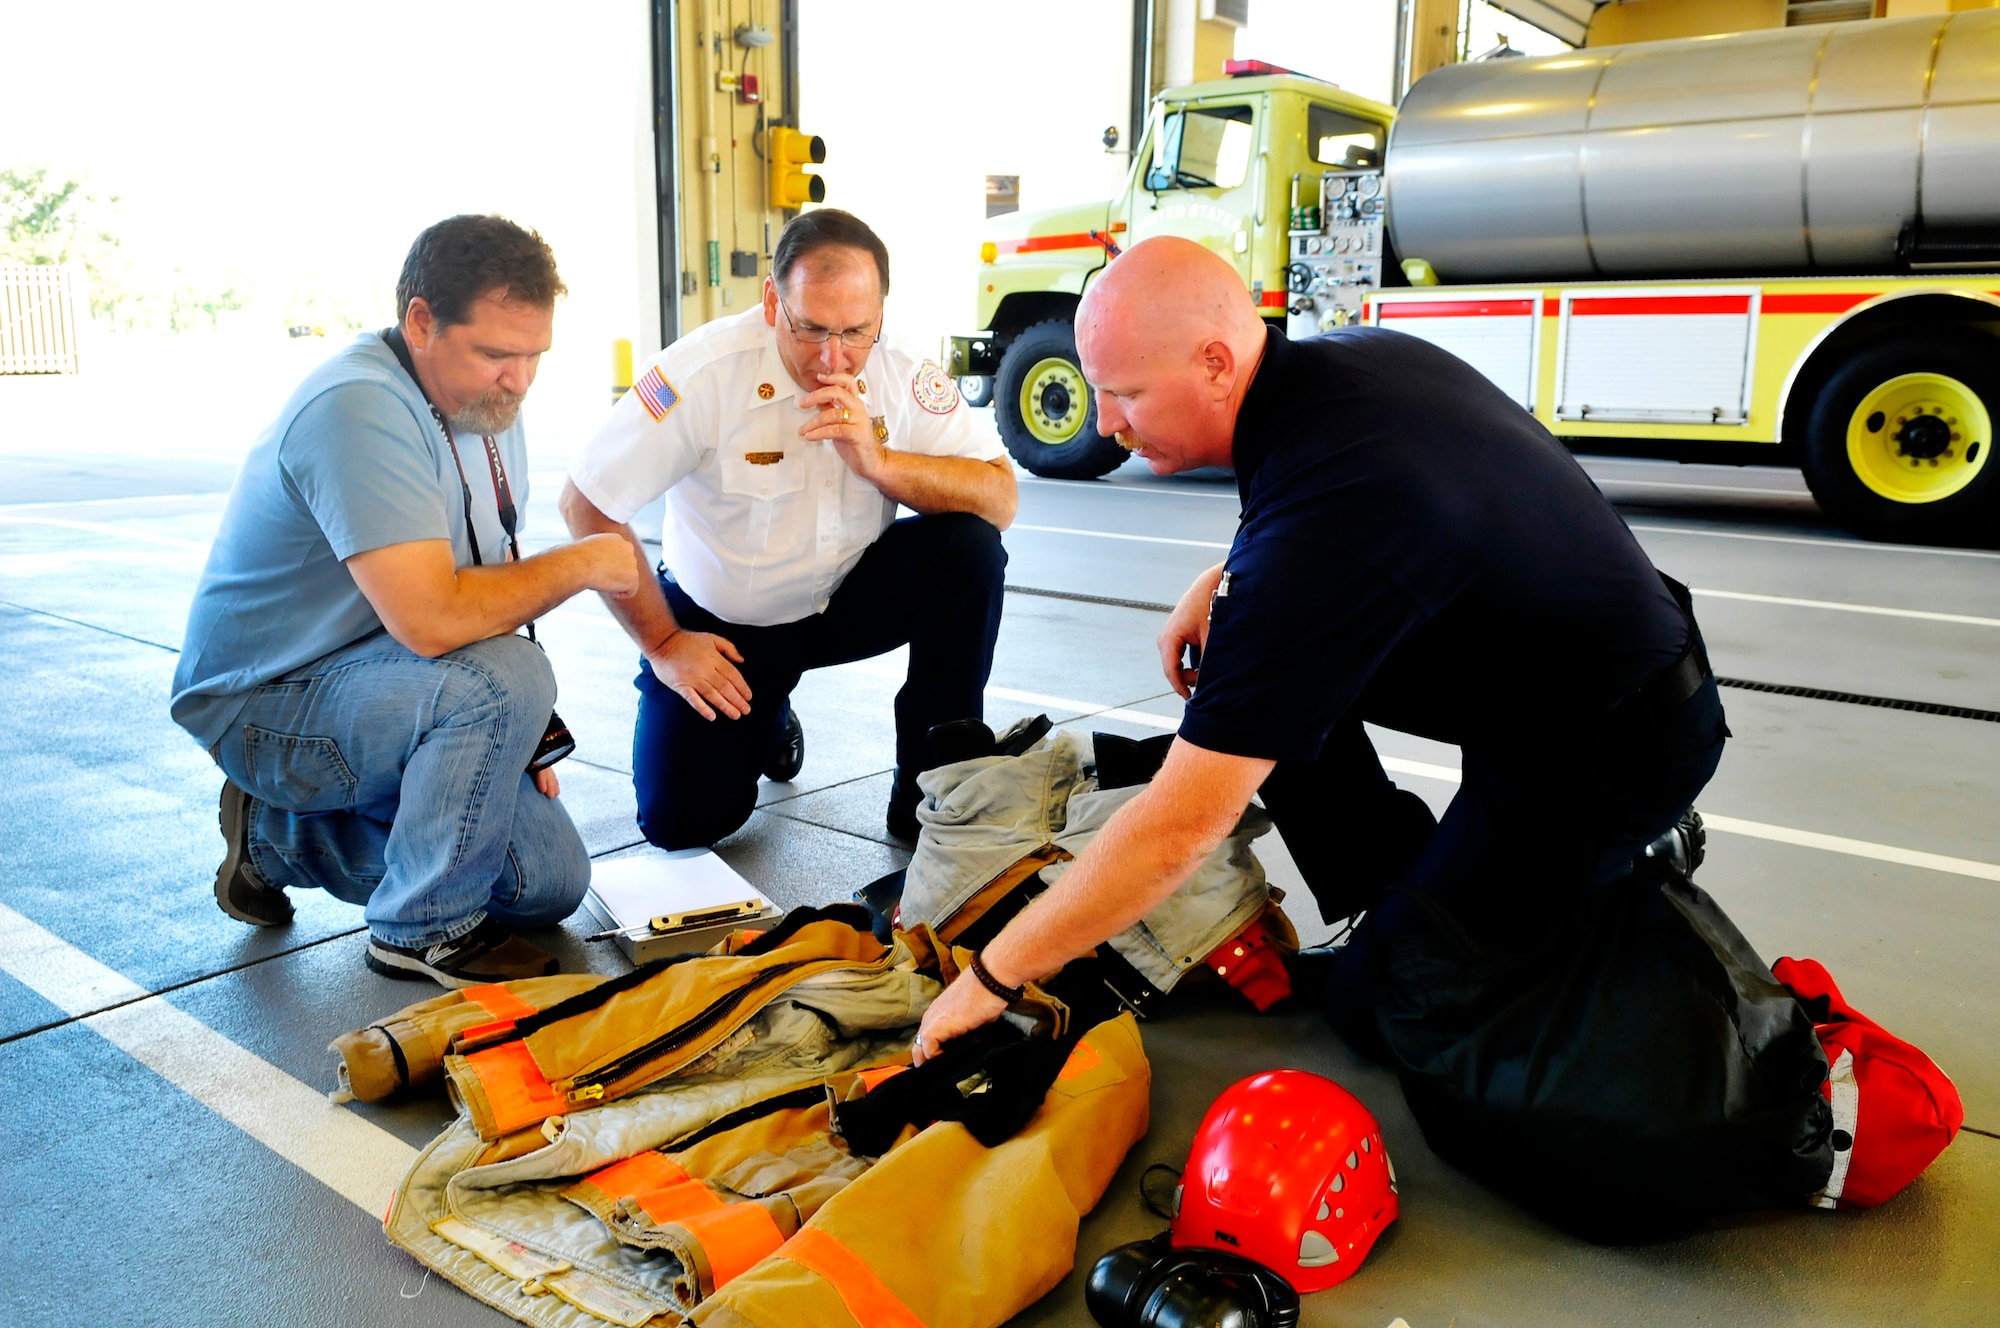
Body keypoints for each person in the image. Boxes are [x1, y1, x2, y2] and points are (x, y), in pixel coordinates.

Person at [913, 236, 1726, 1061]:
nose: (1108, 422)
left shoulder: (1322, 525)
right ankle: (1409, 891)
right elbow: (1317, 517)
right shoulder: (1339, 368)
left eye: (1126, 394)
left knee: (1384, 1005)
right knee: (1245, 654)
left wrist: (994, 976)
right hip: (1547, 679)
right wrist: (1223, 580)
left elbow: (1180, 827)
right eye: (1096, 390)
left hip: (1609, 746)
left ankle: (1621, 861)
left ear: (1217, 365)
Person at [171, 214, 643, 988]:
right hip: (267, 704)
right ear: (420, 321)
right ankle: (421, 930)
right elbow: (435, 620)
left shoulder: (484, 408)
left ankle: (271, 837)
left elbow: (492, 587)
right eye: (496, 353)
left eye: (535, 355)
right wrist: (584, 563)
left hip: (387, 681)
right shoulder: (356, 406)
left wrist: (521, 741)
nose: (520, 380)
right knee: (508, 679)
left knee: (545, 882)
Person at [560, 209, 1016, 847]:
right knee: (681, 825)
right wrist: (664, 645)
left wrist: (879, 463)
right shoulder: (703, 373)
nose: (834, 356)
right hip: (730, 632)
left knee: (971, 551)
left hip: (847, 595)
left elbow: (999, 495)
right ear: (774, 301)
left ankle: (931, 791)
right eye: (811, 329)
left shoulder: (904, 365)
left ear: (880, 312)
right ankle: (766, 712)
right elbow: (586, 502)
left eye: (856, 331)